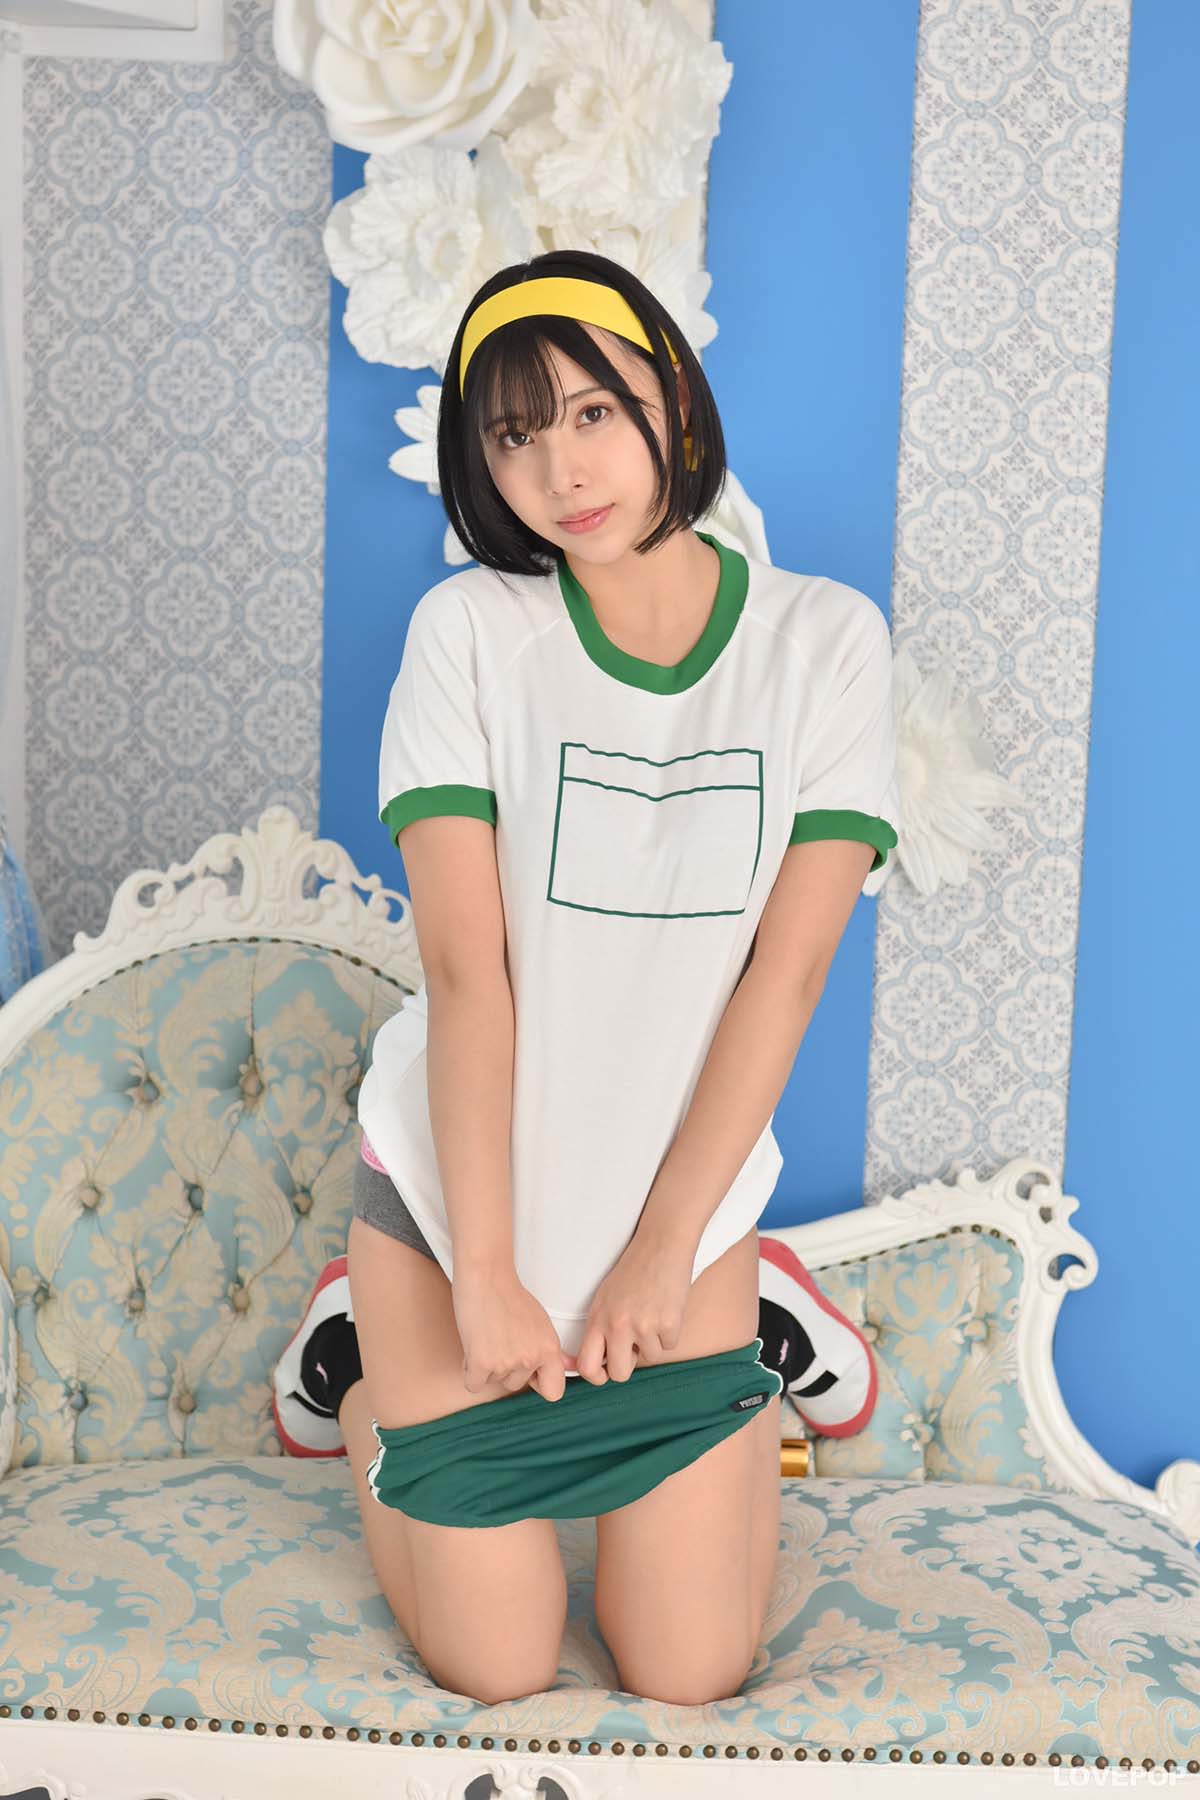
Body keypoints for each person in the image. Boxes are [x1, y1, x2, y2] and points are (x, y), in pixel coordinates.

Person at [271, 248, 900, 1709]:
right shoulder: (471, 637)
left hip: (675, 1213)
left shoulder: (824, 646)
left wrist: (662, 1251)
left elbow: (786, 975)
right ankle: (359, 1360)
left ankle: (759, 1323)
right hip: (460, 1203)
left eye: (592, 413)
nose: (560, 470)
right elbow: (466, 972)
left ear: (671, 397)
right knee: (495, 1665)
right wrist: (486, 1273)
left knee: (690, 1669)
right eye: (513, 436)